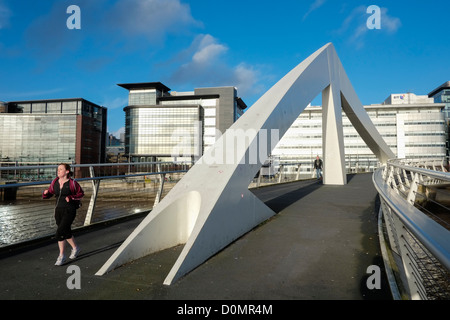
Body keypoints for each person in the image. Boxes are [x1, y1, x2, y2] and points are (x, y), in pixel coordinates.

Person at [43, 163, 84, 266]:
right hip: (58, 210)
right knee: (65, 231)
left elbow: (80, 194)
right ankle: (76, 248)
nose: (58, 171)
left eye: (61, 169)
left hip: (69, 210)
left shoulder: (73, 183)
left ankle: (61, 256)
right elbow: (50, 193)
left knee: (60, 232)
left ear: (67, 171)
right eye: (58, 169)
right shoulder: (55, 182)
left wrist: (71, 198)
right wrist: (46, 193)